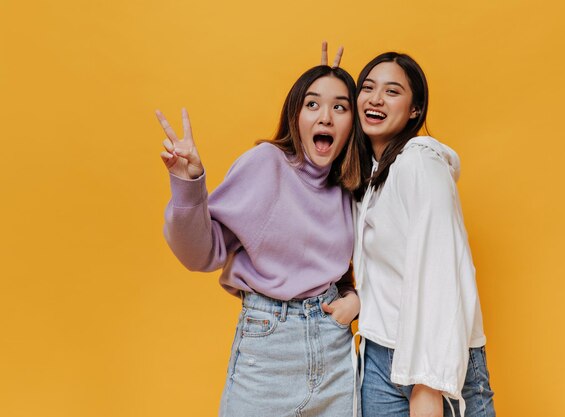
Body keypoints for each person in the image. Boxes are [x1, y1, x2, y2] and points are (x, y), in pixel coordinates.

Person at [155, 64, 362, 417]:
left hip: (334, 348)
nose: (326, 117)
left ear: (351, 125)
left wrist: (355, 299)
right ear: (295, 115)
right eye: (312, 105)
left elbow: (350, 263)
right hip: (269, 349)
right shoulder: (266, 165)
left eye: (339, 107)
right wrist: (188, 186)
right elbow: (201, 254)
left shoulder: (348, 184)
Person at [324, 46, 495, 417]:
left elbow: (441, 272)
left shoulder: (418, 162)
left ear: (415, 110)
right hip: (379, 359)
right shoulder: (368, 177)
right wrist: (328, 90)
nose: (376, 98)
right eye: (367, 87)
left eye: (392, 91)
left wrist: (427, 382)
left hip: (435, 367)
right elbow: (391, 269)